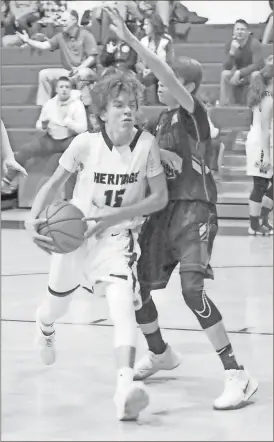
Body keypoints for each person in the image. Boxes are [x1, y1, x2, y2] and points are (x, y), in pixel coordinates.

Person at [105, 6, 258, 411]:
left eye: (163, 80)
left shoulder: (195, 116)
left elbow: (166, 72)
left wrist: (134, 42)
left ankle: (237, 374)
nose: (157, 83)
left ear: (184, 85)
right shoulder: (158, 124)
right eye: (154, 80)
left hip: (195, 212)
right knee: (136, 289)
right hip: (163, 215)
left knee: (192, 290)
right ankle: (159, 352)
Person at [25, 70, 168, 421]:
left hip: (116, 237)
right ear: (102, 112)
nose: (127, 111)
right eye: (118, 105)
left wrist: (114, 216)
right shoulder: (84, 144)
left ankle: (124, 389)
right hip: (75, 235)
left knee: (122, 305)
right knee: (55, 308)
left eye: (131, 105)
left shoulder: (147, 144)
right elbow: (53, 182)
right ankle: (45, 328)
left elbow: (159, 198)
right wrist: (32, 218)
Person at [1, 76, 87, 198]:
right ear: (56, 89)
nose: (64, 90)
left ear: (71, 89)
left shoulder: (77, 104)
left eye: (67, 87)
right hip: (50, 139)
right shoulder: (49, 104)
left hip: (69, 139)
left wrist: (69, 123)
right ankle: (7, 181)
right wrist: (43, 125)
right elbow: (38, 125)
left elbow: (84, 128)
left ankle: (78, 192)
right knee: (26, 149)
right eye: (61, 87)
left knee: (79, 152)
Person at [16, 9, 98, 106]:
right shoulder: (60, 36)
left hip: (86, 71)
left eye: (64, 21)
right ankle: (45, 108)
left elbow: (92, 57)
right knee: (44, 74)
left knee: (82, 73)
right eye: (61, 21)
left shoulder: (86, 35)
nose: (61, 23)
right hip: (69, 72)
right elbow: (45, 45)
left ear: (74, 20)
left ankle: (85, 105)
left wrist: (80, 68)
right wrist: (28, 41)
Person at [246, 55, 273, 235]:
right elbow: (264, 129)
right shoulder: (268, 99)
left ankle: (263, 217)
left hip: (263, 143)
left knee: (267, 184)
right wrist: (267, 155)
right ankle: (254, 224)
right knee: (261, 184)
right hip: (261, 145)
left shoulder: (267, 96)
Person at [220, 19, 264, 106]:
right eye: (237, 29)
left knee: (255, 74)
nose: (239, 32)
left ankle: (255, 106)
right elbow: (226, 66)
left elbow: (258, 64)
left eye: (242, 30)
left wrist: (240, 72)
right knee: (225, 74)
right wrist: (232, 53)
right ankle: (224, 106)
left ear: (248, 32)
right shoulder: (230, 44)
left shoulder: (254, 43)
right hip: (238, 74)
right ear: (233, 32)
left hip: (250, 74)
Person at [136, 14, 173, 105]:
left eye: (146, 24)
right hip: (145, 73)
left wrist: (152, 71)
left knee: (152, 80)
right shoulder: (143, 41)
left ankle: (153, 106)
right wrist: (144, 69)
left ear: (154, 25)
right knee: (137, 80)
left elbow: (169, 62)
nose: (144, 27)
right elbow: (138, 62)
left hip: (161, 72)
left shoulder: (166, 40)